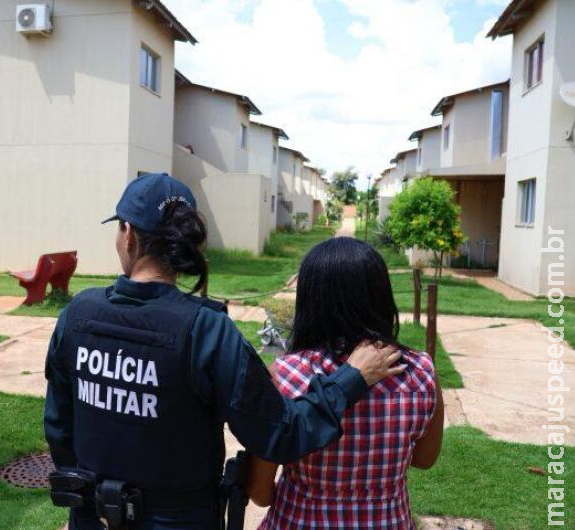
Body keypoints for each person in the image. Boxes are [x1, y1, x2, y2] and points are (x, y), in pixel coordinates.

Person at [43, 174, 405, 530]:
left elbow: (59, 427)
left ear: (129, 234)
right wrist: (351, 378)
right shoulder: (206, 330)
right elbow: (282, 433)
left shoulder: (77, 314)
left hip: (94, 516)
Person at [246, 237, 445, 530]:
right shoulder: (421, 371)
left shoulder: (286, 375)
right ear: (380, 296)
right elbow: (425, 459)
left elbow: (260, 492)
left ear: (311, 299)